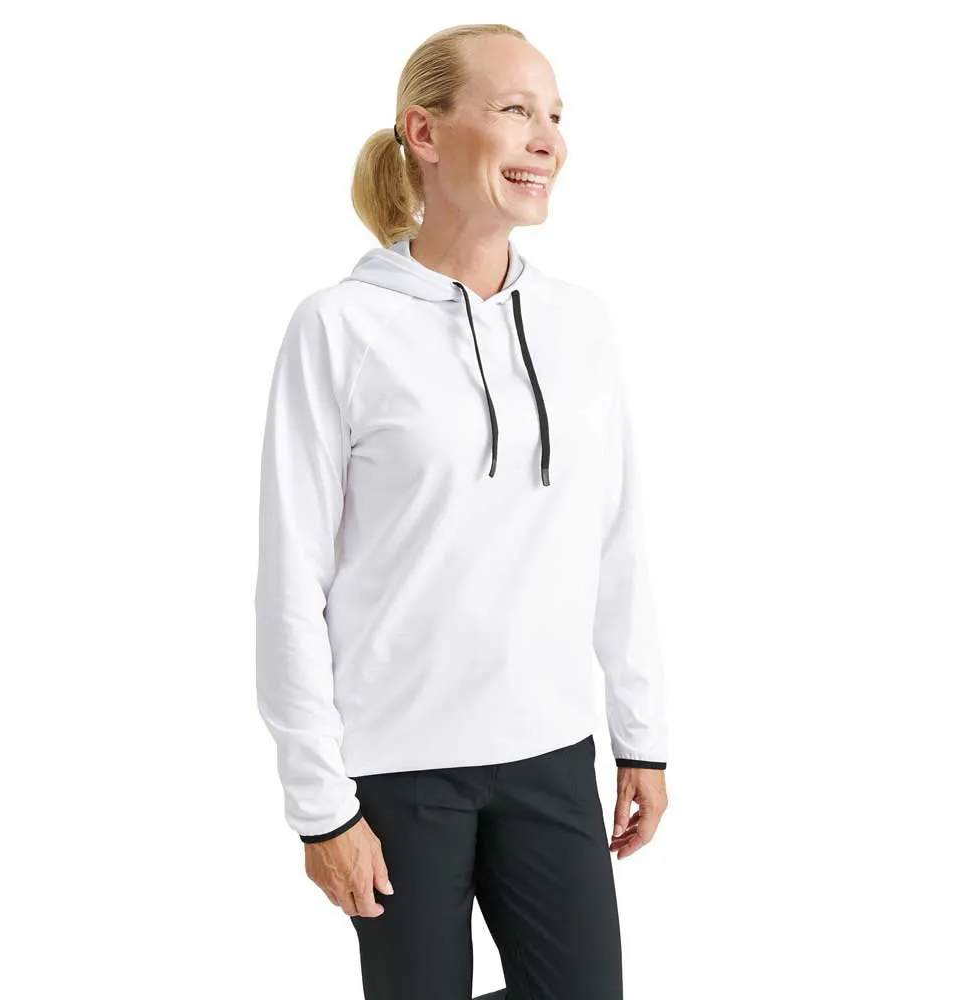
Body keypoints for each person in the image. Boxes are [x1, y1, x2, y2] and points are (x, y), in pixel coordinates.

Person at [255, 22, 670, 1000]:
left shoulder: (578, 324)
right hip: (398, 773)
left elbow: (616, 543)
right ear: (425, 132)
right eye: (516, 110)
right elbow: (291, 580)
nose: (547, 139)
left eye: (555, 115)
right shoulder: (339, 327)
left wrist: (640, 735)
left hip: (551, 753)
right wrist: (320, 806)